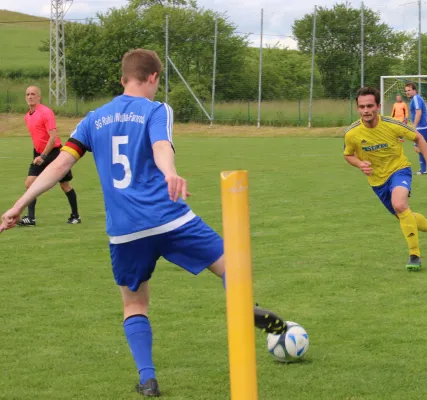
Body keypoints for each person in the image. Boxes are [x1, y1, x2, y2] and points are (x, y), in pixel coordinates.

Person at [0, 49, 287, 397]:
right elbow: (161, 145)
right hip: (169, 218)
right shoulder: (156, 109)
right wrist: (170, 174)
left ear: (123, 79)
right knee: (235, 270)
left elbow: (60, 165)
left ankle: (148, 379)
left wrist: (19, 204)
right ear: (153, 78)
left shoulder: (92, 119)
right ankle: (244, 309)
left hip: (125, 231)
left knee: (135, 305)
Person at [343, 86, 427, 271]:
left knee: (400, 205)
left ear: (378, 106)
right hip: (377, 181)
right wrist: (360, 164)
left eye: (370, 106)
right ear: (358, 108)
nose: (366, 110)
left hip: (399, 170)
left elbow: (419, 139)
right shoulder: (352, 133)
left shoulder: (392, 124)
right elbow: (348, 154)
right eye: (362, 107)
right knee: (404, 215)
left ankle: (414, 255)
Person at [18, 86, 81, 226]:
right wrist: (38, 154)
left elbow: (53, 138)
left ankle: (75, 216)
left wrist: (43, 156)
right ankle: (31, 218)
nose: (30, 96)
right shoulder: (27, 116)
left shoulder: (46, 112)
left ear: (39, 97)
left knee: (65, 185)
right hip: (39, 153)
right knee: (30, 184)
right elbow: (37, 137)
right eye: (27, 94)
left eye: (33, 94)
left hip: (54, 153)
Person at [404, 83, 427, 175]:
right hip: (424, 126)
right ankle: (423, 169)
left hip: (422, 127)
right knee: (420, 147)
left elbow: (418, 113)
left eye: (409, 90)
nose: (407, 92)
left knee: (418, 148)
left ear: (414, 90)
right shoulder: (415, 98)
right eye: (406, 91)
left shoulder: (416, 98)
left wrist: (414, 126)